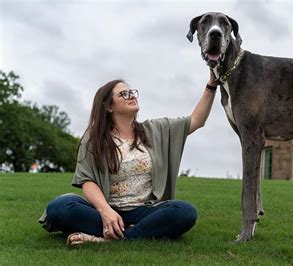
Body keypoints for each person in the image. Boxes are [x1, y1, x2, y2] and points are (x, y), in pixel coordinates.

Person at [39, 70, 218, 246]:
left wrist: (211, 85)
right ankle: (134, 232)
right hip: (106, 210)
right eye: (123, 94)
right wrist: (106, 211)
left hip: (145, 211)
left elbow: (196, 120)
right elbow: (87, 180)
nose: (131, 96)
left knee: (184, 212)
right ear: (108, 106)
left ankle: (109, 239)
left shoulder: (155, 130)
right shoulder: (94, 138)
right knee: (58, 207)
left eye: (131, 92)